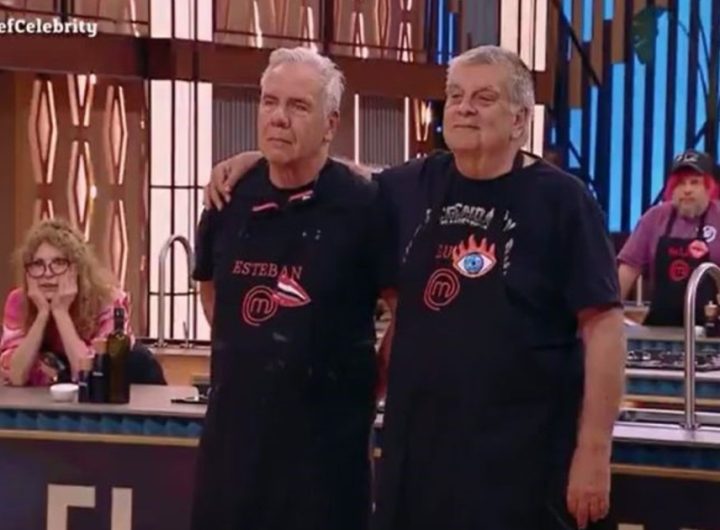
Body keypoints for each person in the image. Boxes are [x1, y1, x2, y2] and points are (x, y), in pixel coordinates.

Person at [204, 45, 625, 530]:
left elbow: (604, 327)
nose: (464, 108)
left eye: (484, 98)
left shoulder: (563, 201)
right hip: (421, 459)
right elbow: (330, 171)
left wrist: (594, 451)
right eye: (455, 95)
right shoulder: (406, 186)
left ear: (520, 119)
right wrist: (259, 159)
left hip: (523, 457)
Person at [190, 47, 392, 530]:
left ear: (330, 123)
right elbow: (212, 291)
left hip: (326, 454)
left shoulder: (365, 205)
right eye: (269, 102)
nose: (278, 117)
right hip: (233, 446)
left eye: (298, 106)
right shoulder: (228, 196)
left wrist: (370, 385)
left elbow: (401, 310)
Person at [0, 218, 132, 386]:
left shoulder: (108, 300)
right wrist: (42, 314)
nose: (47, 274)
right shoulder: (18, 301)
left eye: (58, 263)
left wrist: (61, 312)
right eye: (38, 264)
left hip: (122, 390)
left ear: (77, 269)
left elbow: (93, 377)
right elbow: (16, 375)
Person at [618, 149, 720, 326]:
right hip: (660, 329)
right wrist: (608, 313)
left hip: (711, 331)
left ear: (708, 187)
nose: (687, 190)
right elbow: (627, 270)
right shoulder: (654, 218)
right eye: (681, 183)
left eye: (694, 182)